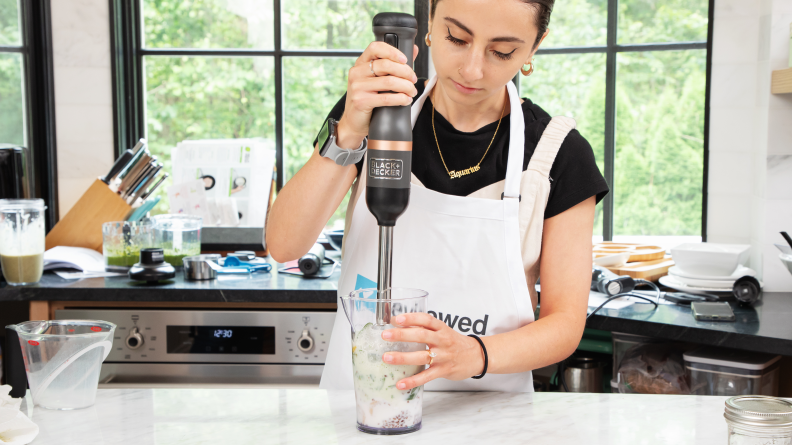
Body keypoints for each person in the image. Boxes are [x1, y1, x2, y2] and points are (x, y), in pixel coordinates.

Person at [267, 0, 609, 392]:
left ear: (534, 46)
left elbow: (564, 325)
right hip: (363, 406)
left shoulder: (559, 153)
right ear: (430, 20)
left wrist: (473, 354)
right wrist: (349, 131)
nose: (472, 69)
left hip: (489, 416)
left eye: (502, 51)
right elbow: (283, 245)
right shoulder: (376, 111)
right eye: (456, 38)